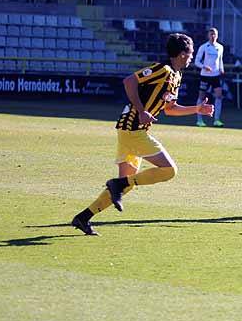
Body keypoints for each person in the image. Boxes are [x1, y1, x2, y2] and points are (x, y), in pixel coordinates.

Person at [70, 34, 215, 236]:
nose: (191, 58)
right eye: (190, 54)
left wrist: (197, 109)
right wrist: (141, 110)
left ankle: (83, 218)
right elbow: (129, 81)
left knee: (125, 184)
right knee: (169, 170)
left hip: (132, 130)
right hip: (132, 128)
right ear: (182, 54)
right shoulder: (161, 69)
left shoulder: (176, 75)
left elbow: (170, 109)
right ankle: (116, 185)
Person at [194, 27, 226, 127]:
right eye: (211, 34)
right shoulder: (204, 47)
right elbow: (196, 62)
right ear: (208, 35)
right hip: (205, 75)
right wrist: (204, 67)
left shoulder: (220, 47)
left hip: (215, 75)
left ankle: (216, 120)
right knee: (202, 97)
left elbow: (220, 60)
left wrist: (221, 68)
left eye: (214, 34)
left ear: (217, 36)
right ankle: (199, 120)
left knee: (219, 96)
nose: (213, 36)